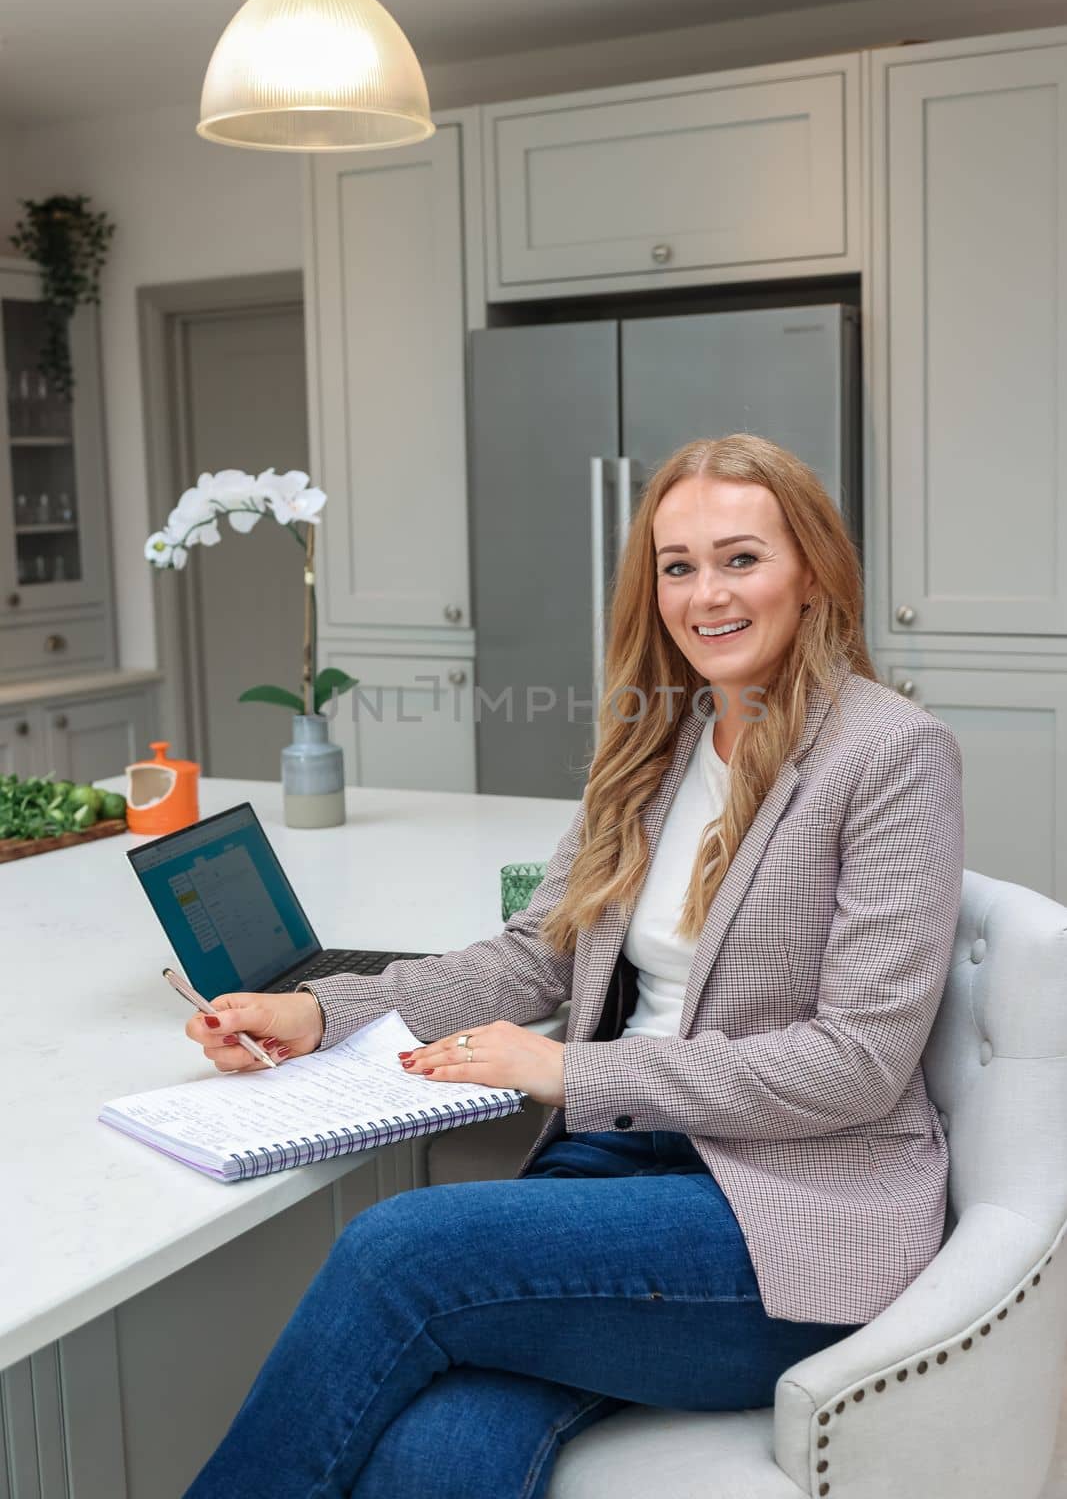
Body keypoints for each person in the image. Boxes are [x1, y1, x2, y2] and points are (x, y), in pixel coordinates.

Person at [182, 433, 964, 1499]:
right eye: (676, 565)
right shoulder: (659, 737)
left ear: (812, 571)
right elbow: (532, 952)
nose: (704, 594)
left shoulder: (888, 752)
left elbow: (857, 1062)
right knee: (438, 1453)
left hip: (783, 1221)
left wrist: (574, 1075)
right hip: (619, 1179)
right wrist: (321, 1010)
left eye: (740, 558)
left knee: (395, 1252)